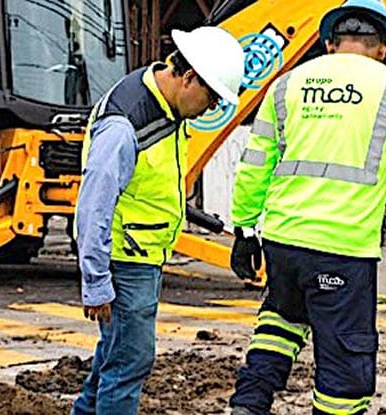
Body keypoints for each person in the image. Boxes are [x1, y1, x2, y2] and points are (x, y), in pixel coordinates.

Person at [226, 1, 386, 414]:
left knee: (280, 323)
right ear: (384, 47)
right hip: (342, 250)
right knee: (345, 366)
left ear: (330, 42)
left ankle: (248, 405)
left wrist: (243, 230)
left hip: (283, 241)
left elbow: (255, 163)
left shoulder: (287, 84)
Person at [72, 26, 244, 414]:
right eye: (212, 98)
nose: (211, 109)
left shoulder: (165, 103)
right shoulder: (125, 126)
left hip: (143, 254)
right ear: (188, 78)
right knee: (128, 364)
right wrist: (97, 283)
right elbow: (94, 205)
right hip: (125, 262)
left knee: (112, 360)